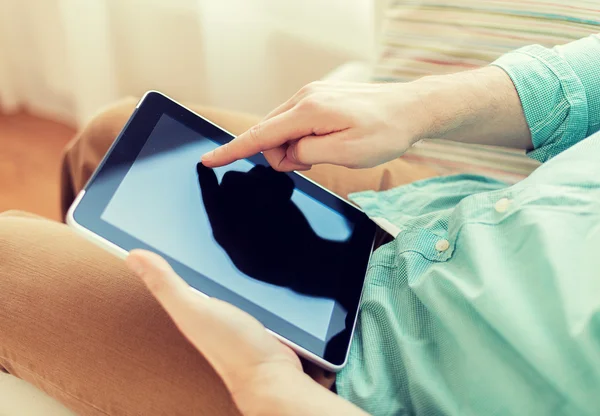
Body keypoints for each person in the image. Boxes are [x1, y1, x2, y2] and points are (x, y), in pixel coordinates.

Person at [1, 32, 600, 415]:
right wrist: (418, 107)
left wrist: (268, 386)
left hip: (370, 386)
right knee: (124, 136)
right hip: (451, 213)